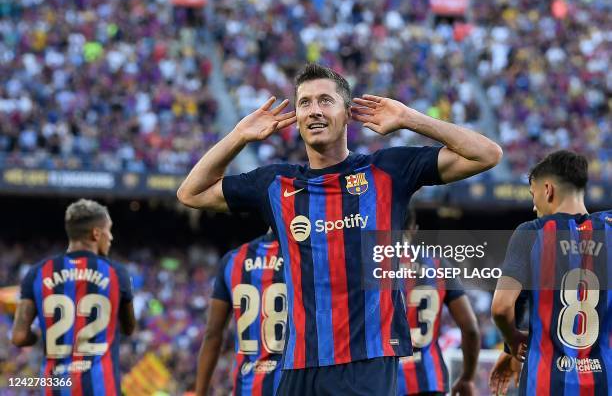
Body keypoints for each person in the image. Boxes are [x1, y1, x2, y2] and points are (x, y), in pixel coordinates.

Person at [178, 63, 502, 395]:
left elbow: (486, 154)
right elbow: (191, 192)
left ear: (347, 113)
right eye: (305, 103)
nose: (314, 110)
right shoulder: (275, 183)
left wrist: (409, 119)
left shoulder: (387, 170)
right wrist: (238, 136)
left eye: (325, 100)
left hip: (370, 361)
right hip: (300, 363)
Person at [491, 150, 611, 395]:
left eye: (533, 195)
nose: (534, 207)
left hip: (545, 383)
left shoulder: (530, 232)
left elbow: (501, 307)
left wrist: (513, 341)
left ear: (548, 190)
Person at [12, 199, 136, 395]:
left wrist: (40, 336)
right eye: (108, 230)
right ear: (96, 233)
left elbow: (18, 337)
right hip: (102, 387)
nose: (110, 237)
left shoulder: (37, 273)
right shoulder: (117, 273)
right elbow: (129, 328)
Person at [398, 207, 480, 396]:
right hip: (430, 380)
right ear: (413, 228)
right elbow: (471, 329)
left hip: (383, 381)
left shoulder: (371, 265)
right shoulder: (438, 264)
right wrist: (467, 378)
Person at [196, 233, 285, 395]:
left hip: (245, 388)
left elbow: (212, 335)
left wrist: (200, 393)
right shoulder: (304, 256)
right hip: (290, 386)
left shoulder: (233, 259)